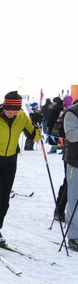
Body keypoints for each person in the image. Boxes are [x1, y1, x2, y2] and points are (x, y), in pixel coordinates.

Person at [0, 91, 40, 251]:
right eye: (9, 108)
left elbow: (35, 138)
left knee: (5, 199)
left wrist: (38, 125)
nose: (12, 112)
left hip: (10, 161)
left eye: (15, 109)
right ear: (4, 106)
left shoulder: (22, 117)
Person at [63, 98, 78, 250]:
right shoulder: (72, 112)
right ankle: (74, 236)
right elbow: (71, 136)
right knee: (74, 200)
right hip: (76, 163)